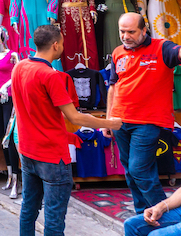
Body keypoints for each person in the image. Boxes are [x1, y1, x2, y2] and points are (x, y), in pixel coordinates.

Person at [12, 24, 122, 236]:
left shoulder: (20, 67)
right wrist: (110, 123)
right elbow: (73, 117)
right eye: (62, 43)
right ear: (55, 45)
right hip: (52, 154)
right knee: (54, 218)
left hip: (27, 149)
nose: (63, 47)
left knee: (28, 208)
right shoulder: (50, 75)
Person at [103, 12, 181, 214]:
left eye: (131, 31)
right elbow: (113, 86)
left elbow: (178, 52)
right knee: (130, 171)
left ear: (144, 30)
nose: (125, 36)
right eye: (122, 31)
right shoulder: (118, 52)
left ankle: (167, 214)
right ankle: (142, 214)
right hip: (119, 120)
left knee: (139, 169)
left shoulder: (162, 47)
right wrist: (108, 119)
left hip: (147, 122)